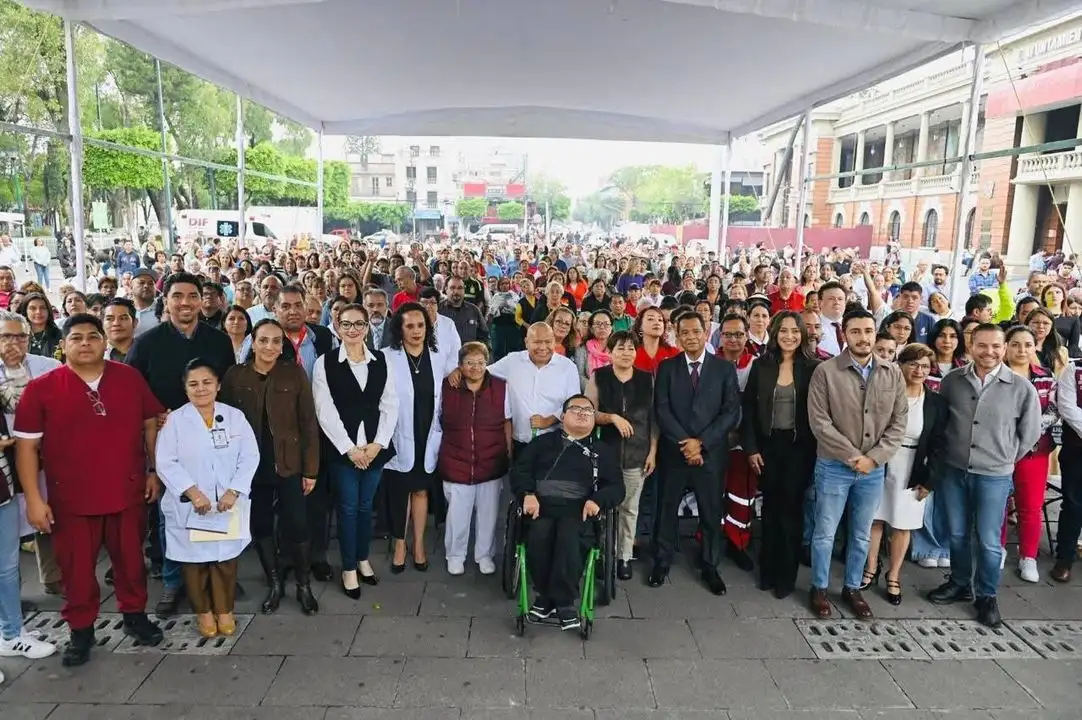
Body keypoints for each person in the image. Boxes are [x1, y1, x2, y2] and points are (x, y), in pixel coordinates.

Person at [15, 314, 165, 666]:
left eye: (93, 336)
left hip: (127, 491)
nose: (85, 343)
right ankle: (81, 630)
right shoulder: (42, 388)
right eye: (77, 337)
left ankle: (134, 617)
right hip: (71, 499)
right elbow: (26, 448)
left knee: (130, 562)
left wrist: (154, 469)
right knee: (77, 569)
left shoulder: (128, 378)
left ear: (103, 342)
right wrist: (34, 502)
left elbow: (150, 422)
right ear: (63, 345)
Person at [126, 272, 236, 616]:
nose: (185, 303)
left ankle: (213, 571)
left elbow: (228, 387)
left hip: (212, 437)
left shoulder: (217, 342)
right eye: (177, 296)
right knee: (170, 513)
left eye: (192, 296)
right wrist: (155, 414)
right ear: (167, 300)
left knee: (214, 502)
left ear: (202, 301)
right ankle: (174, 580)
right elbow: (133, 392)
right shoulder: (147, 343)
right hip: (166, 441)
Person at [928, 324, 1040, 628]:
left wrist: (1004, 459)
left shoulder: (1020, 388)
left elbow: (1029, 433)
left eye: (995, 346)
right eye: (982, 345)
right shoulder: (952, 381)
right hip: (955, 470)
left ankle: (987, 595)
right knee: (958, 532)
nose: (988, 352)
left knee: (989, 540)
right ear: (971, 345)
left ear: (1003, 349)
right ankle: (961, 582)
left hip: (994, 475)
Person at [806, 309, 907, 619]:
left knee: (861, 533)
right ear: (844, 335)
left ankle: (852, 588)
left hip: (873, 470)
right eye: (856, 332)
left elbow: (898, 422)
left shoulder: (892, 373)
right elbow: (820, 422)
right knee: (825, 531)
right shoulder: (826, 371)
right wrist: (854, 457)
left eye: (868, 331)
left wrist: (873, 459)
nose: (863, 337)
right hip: (835, 466)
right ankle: (819, 587)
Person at [220, 319, 321, 615]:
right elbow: (224, 422)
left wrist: (311, 470)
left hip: (288, 463)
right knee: (261, 525)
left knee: (297, 524)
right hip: (250, 468)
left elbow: (308, 424)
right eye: (263, 340)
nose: (270, 347)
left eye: (276, 341)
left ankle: (303, 585)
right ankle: (275, 582)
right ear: (253, 341)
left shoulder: (294, 374)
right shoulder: (235, 376)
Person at [156, 359, 259, 638]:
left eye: (207, 382)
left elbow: (250, 456)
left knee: (225, 560)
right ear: (185, 389)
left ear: (218, 385)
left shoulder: (234, 416)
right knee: (195, 563)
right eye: (193, 384)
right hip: (192, 506)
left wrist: (234, 490)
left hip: (228, 504)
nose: (201, 389)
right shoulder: (176, 420)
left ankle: (225, 611)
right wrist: (192, 491)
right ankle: (204, 614)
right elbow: (165, 461)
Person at [511, 394, 623, 630]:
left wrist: (597, 501)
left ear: (594, 420)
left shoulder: (602, 450)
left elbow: (616, 486)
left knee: (569, 537)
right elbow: (520, 471)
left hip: (580, 508)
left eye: (588, 411)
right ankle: (546, 596)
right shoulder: (541, 444)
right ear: (562, 417)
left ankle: (562, 601)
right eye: (575, 409)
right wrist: (527, 494)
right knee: (539, 535)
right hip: (541, 504)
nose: (582, 413)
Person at [650, 312, 740, 596]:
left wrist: (701, 443)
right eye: (684, 332)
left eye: (695, 331)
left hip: (710, 454)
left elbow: (730, 412)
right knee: (666, 509)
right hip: (675, 453)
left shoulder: (724, 369)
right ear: (677, 336)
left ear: (705, 333)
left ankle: (710, 565)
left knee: (711, 511)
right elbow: (661, 409)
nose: (690, 336)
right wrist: (686, 443)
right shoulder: (667, 368)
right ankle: (662, 560)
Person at [312, 303, 398, 597]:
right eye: (346, 324)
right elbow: (325, 411)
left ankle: (362, 559)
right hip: (343, 451)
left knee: (364, 507)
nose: (352, 329)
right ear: (337, 327)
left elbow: (390, 404)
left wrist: (377, 445)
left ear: (366, 327)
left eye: (358, 324)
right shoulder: (325, 363)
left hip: (374, 449)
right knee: (347, 509)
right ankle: (348, 567)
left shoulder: (380, 361)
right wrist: (350, 449)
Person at [741, 311, 820, 599]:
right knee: (771, 510)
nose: (789, 336)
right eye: (783, 330)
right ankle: (768, 572)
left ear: (802, 334)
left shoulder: (813, 367)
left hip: (800, 448)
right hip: (768, 446)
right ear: (775, 334)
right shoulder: (762, 365)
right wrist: (751, 448)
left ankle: (786, 577)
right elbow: (747, 409)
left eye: (795, 331)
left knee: (792, 512)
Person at [862, 343, 947, 605]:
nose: (919, 370)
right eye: (913, 364)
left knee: (902, 524)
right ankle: (870, 568)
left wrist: (929, 480)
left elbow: (939, 443)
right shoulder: (885, 393)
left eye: (924, 366)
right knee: (874, 519)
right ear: (901, 365)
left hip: (913, 467)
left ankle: (894, 575)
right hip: (881, 462)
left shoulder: (936, 402)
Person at [382, 303, 456, 572]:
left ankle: (420, 543)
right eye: (409, 325)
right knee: (400, 491)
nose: (416, 331)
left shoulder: (437, 357)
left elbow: (457, 374)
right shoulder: (386, 357)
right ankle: (400, 544)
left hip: (427, 431)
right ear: (399, 329)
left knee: (422, 489)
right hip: (399, 432)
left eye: (421, 325)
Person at [586, 330, 657, 581]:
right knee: (605, 506)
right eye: (620, 348)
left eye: (630, 348)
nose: (626, 353)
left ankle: (624, 557)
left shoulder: (647, 379)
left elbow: (653, 420)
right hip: (606, 453)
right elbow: (587, 412)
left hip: (637, 454)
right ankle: (604, 554)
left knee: (630, 508)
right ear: (610, 352)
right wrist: (612, 417)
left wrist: (653, 451)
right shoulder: (599, 376)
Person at [0, 310, 62, 596]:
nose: (14, 343)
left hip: (46, 453)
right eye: (6, 336)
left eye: (20, 336)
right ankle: (13, 597)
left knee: (48, 513)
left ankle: (54, 578)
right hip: (4, 461)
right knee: (8, 529)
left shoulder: (48, 366)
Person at [438, 342, 512, 576]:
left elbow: (507, 421)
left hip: (491, 459)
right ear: (460, 365)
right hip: (456, 458)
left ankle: (484, 555)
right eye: (469, 363)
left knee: (488, 514)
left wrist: (508, 451)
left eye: (480, 362)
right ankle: (456, 555)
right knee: (458, 514)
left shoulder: (500, 387)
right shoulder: (448, 387)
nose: (475, 367)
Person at [999, 326, 1058, 583]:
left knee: (1030, 507)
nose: (1021, 350)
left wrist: (1026, 432)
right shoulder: (995, 376)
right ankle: (997, 549)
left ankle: (1028, 556)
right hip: (999, 451)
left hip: (1034, 451)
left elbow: (1054, 411)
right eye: (1015, 344)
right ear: (1006, 347)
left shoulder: (1045, 378)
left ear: (1035, 347)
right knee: (998, 503)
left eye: (1027, 344)